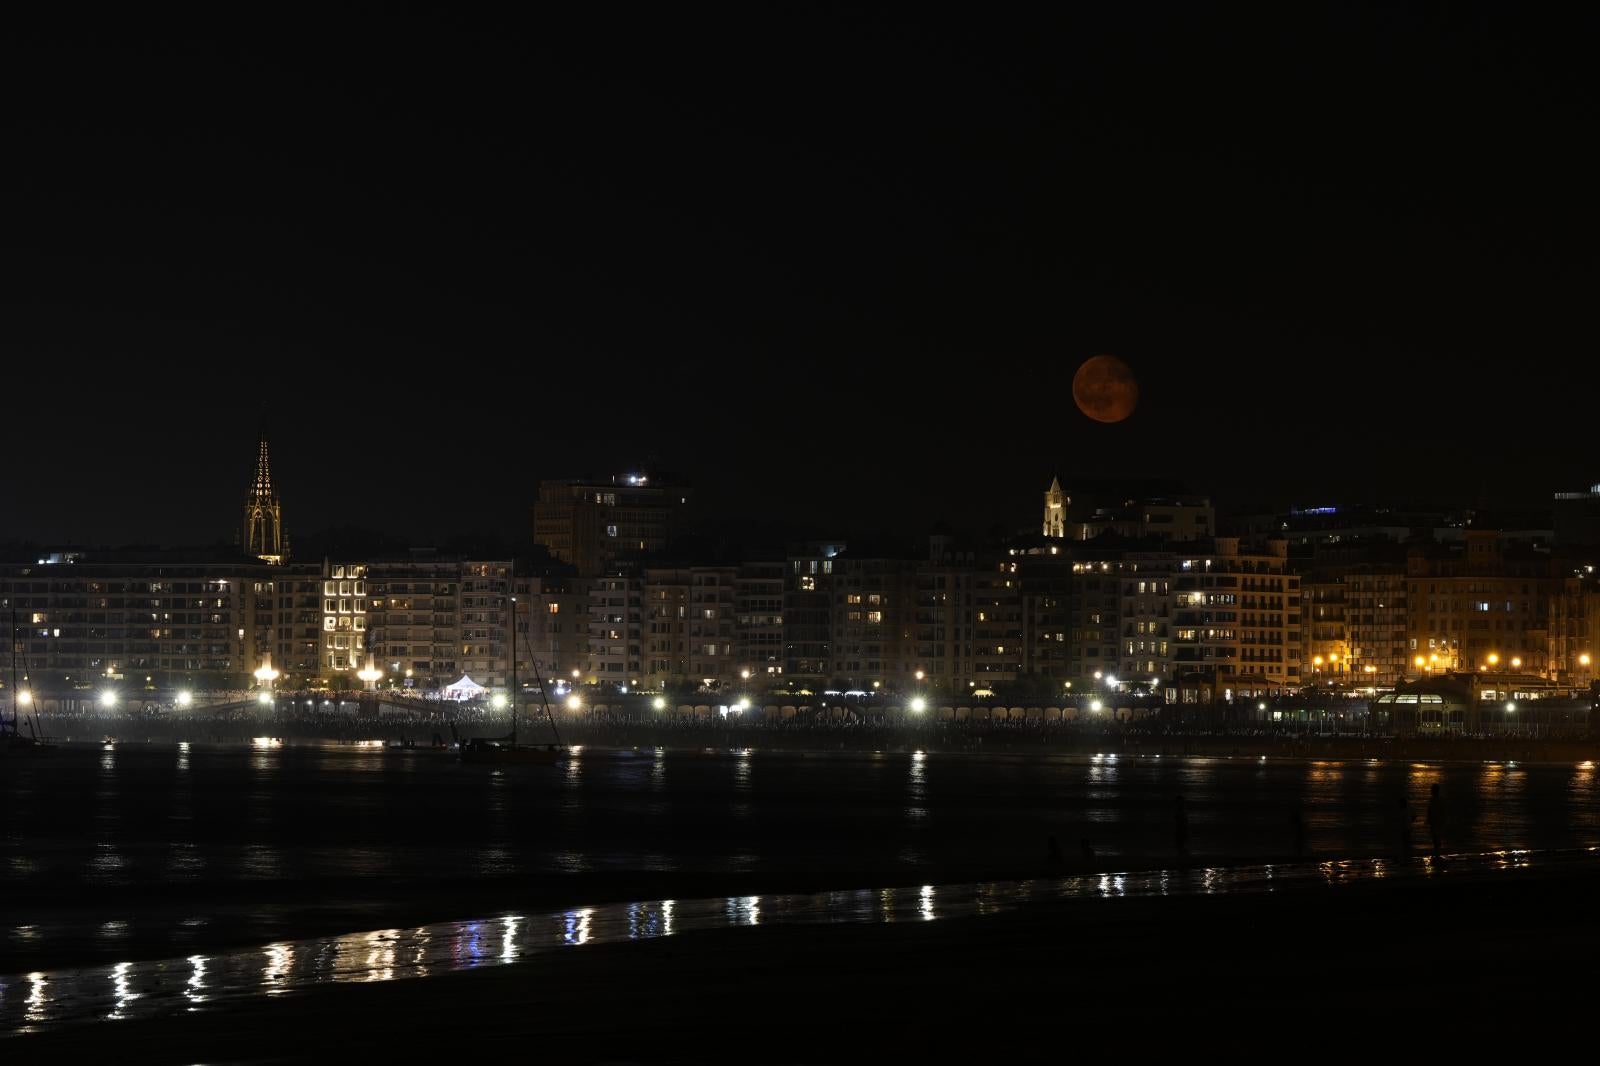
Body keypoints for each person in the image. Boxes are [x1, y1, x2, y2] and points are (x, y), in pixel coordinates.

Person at [1426, 783, 1442, 858]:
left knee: (1435, 838)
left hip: (1434, 821)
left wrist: (1428, 820)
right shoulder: (1441, 800)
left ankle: (1436, 853)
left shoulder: (1432, 800)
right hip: (1439, 821)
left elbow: (1430, 811)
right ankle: (1437, 852)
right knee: (1437, 837)